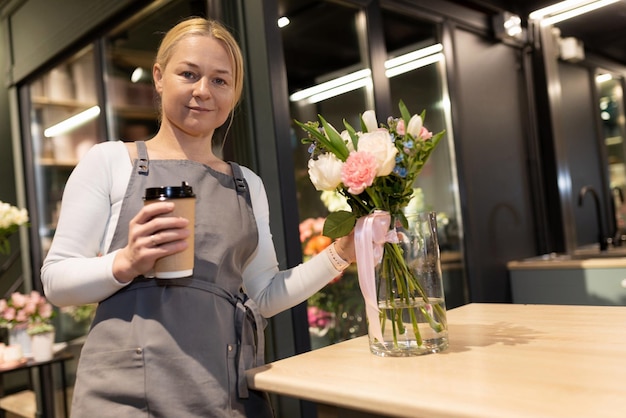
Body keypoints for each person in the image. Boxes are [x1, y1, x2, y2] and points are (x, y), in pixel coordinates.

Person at [41, 17, 355, 418]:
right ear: (158, 76)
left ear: (235, 92)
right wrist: (126, 262)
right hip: (125, 400)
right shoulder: (110, 162)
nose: (203, 91)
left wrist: (340, 254)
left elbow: (264, 296)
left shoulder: (246, 184)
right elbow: (56, 282)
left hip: (224, 392)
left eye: (220, 81)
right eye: (188, 74)